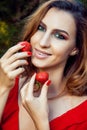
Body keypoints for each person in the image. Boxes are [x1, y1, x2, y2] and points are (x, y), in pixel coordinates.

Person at [0, 0, 87, 129]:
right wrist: (3, 88)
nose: (43, 42)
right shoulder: (7, 81)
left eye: (59, 36)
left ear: (75, 48)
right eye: (41, 28)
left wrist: (41, 122)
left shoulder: (82, 116)